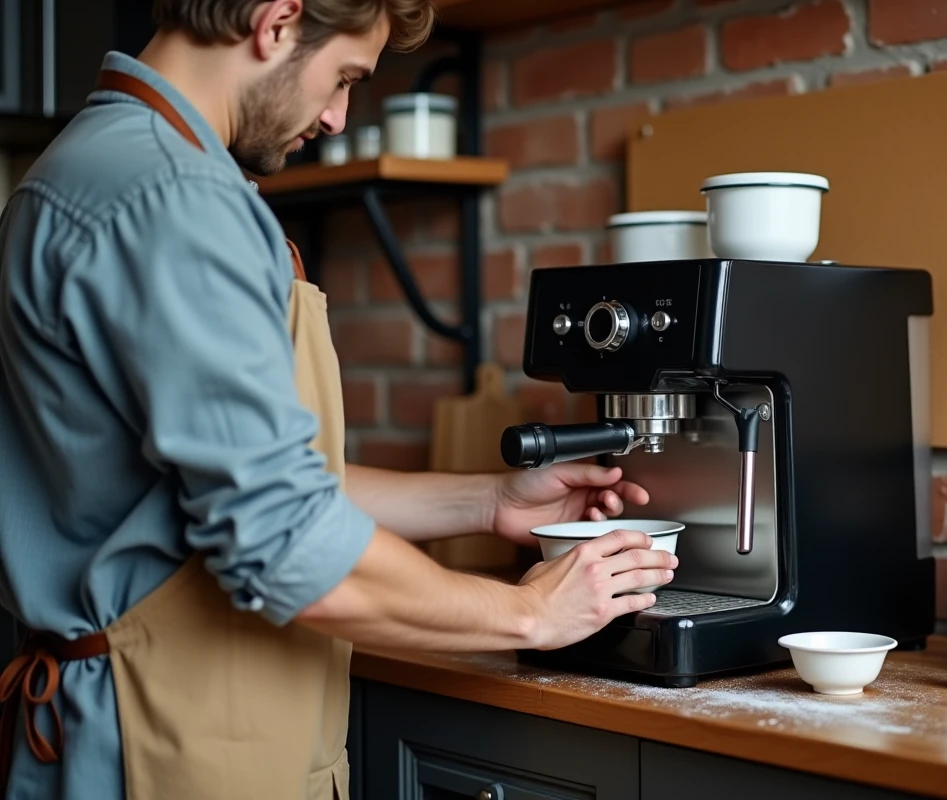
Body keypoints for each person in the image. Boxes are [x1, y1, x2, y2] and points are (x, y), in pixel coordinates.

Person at [0, 1, 678, 797]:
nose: (335, 115)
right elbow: (287, 541)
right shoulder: (173, 198)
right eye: (345, 77)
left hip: (154, 726)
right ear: (276, 19)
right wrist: (529, 614)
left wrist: (488, 501)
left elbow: (238, 484)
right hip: (161, 748)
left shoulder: (93, 165)